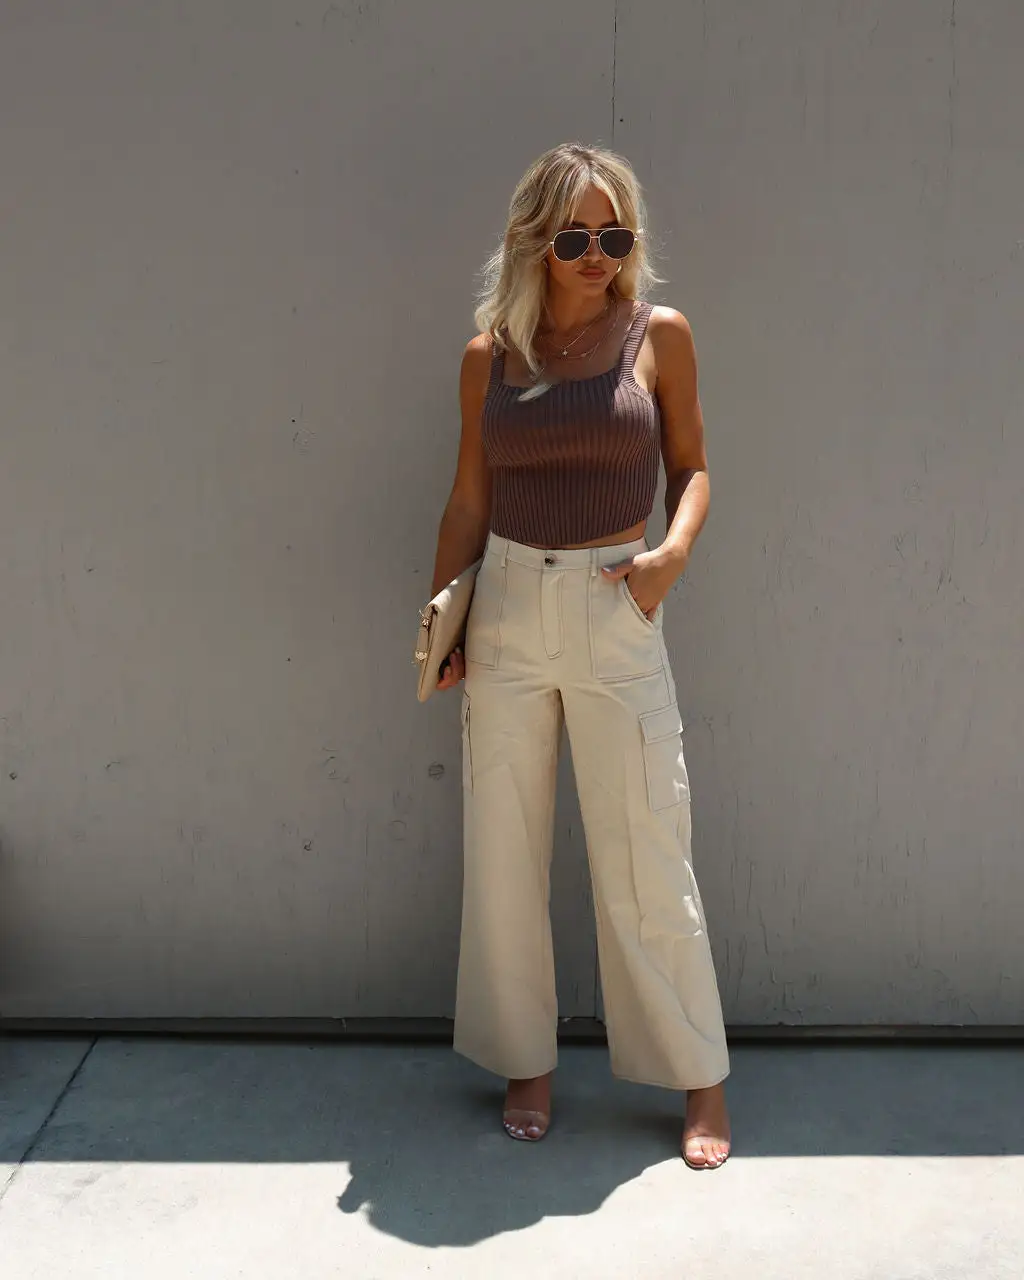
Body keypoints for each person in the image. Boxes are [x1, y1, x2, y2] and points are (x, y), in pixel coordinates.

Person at [429, 142, 731, 1170]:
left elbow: (692, 467)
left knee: (649, 842)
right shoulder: (489, 357)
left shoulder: (660, 335)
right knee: (503, 848)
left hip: (616, 600)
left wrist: (667, 561)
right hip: (509, 604)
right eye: (573, 237)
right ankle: (525, 1060)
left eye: (614, 234)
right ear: (534, 242)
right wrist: (445, 619)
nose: (597, 254)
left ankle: (700, 1076)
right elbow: (468, 499)